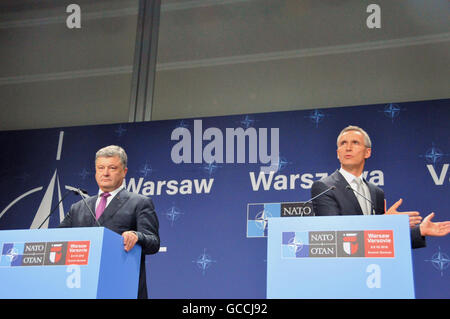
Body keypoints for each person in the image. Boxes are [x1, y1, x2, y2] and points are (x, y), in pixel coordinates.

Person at [311, 125, 450, 248]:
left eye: (355, 143)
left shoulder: (376, 192)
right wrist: (383, 222)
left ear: (367, 152)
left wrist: (419, 231)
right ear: (338, 153)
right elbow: (332, 236)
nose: (348, 148)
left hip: (375, 269)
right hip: (342, 269)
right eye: (343, 143)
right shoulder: (324, 187)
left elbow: (381, 240)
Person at [59, 145, 160, 299]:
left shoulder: (139, 202)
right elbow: (57, 241)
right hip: (80, 288)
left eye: (112, 168)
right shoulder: (77, 207)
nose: (105, 173)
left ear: (124, 171)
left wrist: (137, 236)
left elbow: (153, 242)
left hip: (121, 288)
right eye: (100, 168)